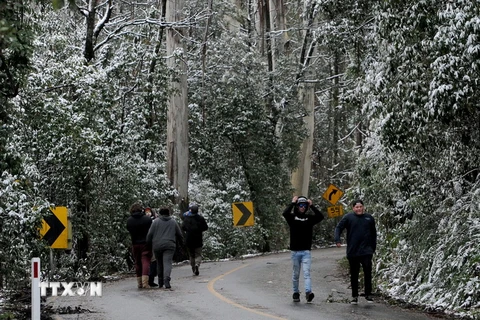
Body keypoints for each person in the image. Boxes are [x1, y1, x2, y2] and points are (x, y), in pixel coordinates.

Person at [282, 196, 324, 303]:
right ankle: (296, 292)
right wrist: (292, 203)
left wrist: (312, 205)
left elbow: (320, 216)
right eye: (300, 205)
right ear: (297, 206)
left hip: (306, 251)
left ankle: (308, 292)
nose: (302, 207)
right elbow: (285, 213)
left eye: (304, 205)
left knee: (306, 273)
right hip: (295, 251)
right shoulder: (292, 218)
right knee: (296, 274)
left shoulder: (309, 219)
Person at [334, 199, 377, 304]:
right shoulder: (348, 218)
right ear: (353, 208)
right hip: (353, 251)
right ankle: (354, 296)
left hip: (366, 251)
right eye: (356, 207)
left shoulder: (369, 218)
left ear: (363, 207)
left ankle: (368, 294)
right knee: (354, 274)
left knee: (367, 272)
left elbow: (373, 234)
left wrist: (373, 248)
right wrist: (337, 240)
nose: (359, 209)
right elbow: (339, 228)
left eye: (360, 207)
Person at [146, 208, 183, 289]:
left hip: (157, 245)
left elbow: (150, 234)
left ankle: (160, 281)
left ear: (160, 213)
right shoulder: (173, 222)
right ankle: (166, 278)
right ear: (168, 213)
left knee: (159, 262)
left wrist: (149, 243)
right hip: (170, 245)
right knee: (167, 262)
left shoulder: (156, 222)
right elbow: (179, 234)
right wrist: (182, 243)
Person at [126, 203, 152, 289]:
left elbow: (129, 230)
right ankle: (145, 282)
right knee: (145, 261)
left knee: (137, 262)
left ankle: (139, 283)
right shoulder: (147, 219)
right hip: (145, 243)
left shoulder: (129, 221)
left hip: (135, 243)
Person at [182, 203, 208, 276]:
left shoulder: (186, 219)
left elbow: (183, 227)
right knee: (198, 254)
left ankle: (193, 268)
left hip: (189, 239)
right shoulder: (200, 218)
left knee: (191, 255)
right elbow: (205, 227)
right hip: (198, 239)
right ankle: (197, 264)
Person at [144, 207, 159, 287]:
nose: (148, 214)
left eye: (149, 212)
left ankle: (150, 279)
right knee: (150, 261)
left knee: (153, 261)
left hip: (152, 243)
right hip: (147, 243)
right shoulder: (146, 221)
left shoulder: (155, 221)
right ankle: (149, 279)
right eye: (146, 212)